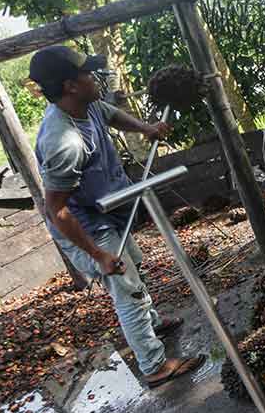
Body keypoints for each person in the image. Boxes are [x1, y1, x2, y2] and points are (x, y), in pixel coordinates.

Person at [30, 45, 205, 388]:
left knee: (134, 266)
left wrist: (147, 129)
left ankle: (150, 324)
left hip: (109, 208)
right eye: (86, 73)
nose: (95, 77)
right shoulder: (63, 141)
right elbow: (57, 210)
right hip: (86, 224)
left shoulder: (87, 103)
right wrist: (98, 256)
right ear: (70, 86)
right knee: (126, 289)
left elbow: (111, 114)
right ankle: (154, 365)